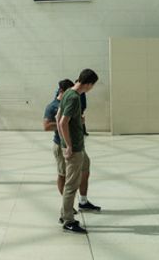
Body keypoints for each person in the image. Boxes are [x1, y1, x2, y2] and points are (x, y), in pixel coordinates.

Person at [57, 69, 99, 234]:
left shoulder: (67, 92)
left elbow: (58, 116)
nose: (91, 88)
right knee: (71, 184)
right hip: (74, 148)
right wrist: (68, 145)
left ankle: (68, 212)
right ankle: (67, 220)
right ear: (88, 84)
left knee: (85, 166)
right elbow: (61, 122)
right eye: (92, 85)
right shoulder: (74, 98)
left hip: (77, 147)